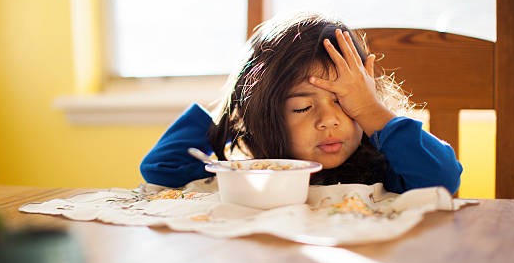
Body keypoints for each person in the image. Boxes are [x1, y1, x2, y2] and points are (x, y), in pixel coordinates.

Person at [140, 12, 462, 194]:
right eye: (302, 108)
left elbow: (443, 179)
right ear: (265, 117)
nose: (329, 120)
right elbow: (161, 171)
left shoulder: (386, 169)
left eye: (346, 102)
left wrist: (370, 110)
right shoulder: (252, 175)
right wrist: (233, 111)